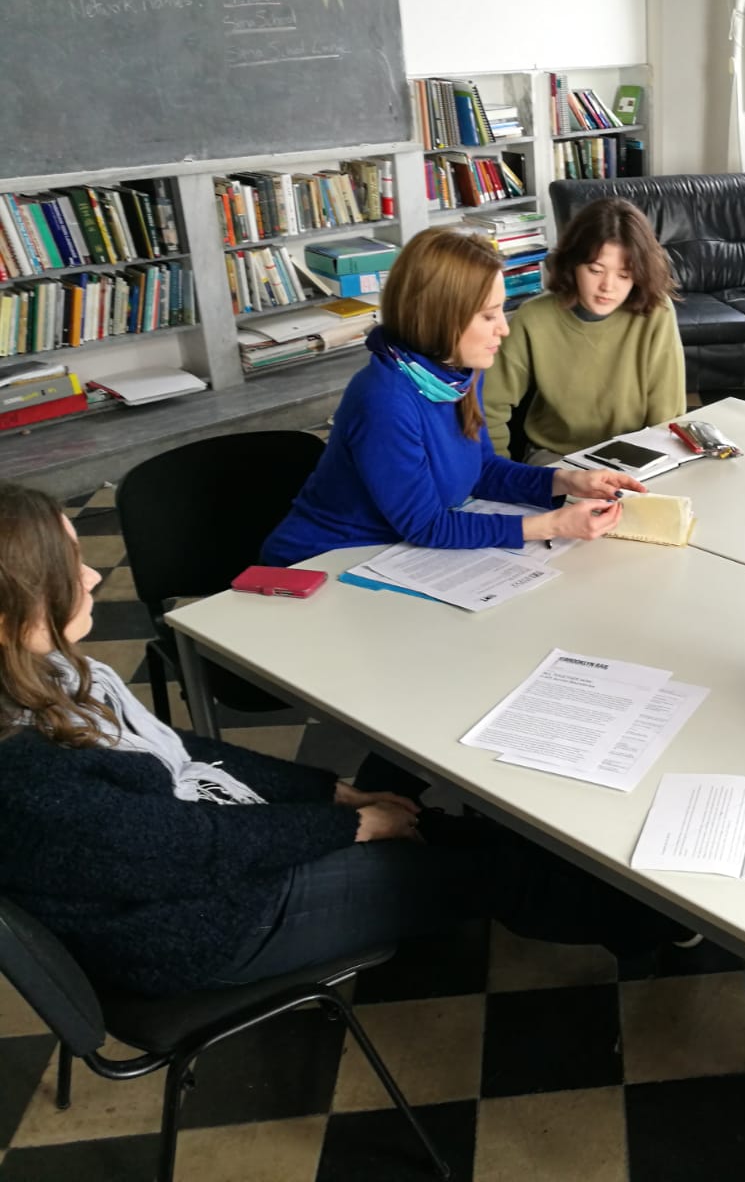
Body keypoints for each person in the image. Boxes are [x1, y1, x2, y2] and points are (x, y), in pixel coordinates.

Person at [0, 484, 682, 997]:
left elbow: (184, 756)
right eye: (67, 569)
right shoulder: (26, 773)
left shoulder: (44, 671)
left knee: (430, 826)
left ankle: (598, 898)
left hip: (198, 851)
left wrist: (334, 792)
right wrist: (351, 825)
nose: (93, 577)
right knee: (491, 874)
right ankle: (653, 923)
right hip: (200, 929)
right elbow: (190, 850)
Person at [261, 228, 641, 567]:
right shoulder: (384, 399)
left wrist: (567, 481)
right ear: (441, 317)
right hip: (323, 564)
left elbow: (482, 470)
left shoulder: (458, 372)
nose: (504, 329)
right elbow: (426, 525)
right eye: (489, 316)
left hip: (392, 554)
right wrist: (550, 524)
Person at [482, 197, 685, 461]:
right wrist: (499, 471)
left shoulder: (657, 313)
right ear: (573, 263)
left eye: (624, 275)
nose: (608, 287)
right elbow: (490, 406)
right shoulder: (533, 317)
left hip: (634, 458)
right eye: (595, 270)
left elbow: (667, 418)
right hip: (556, 457)